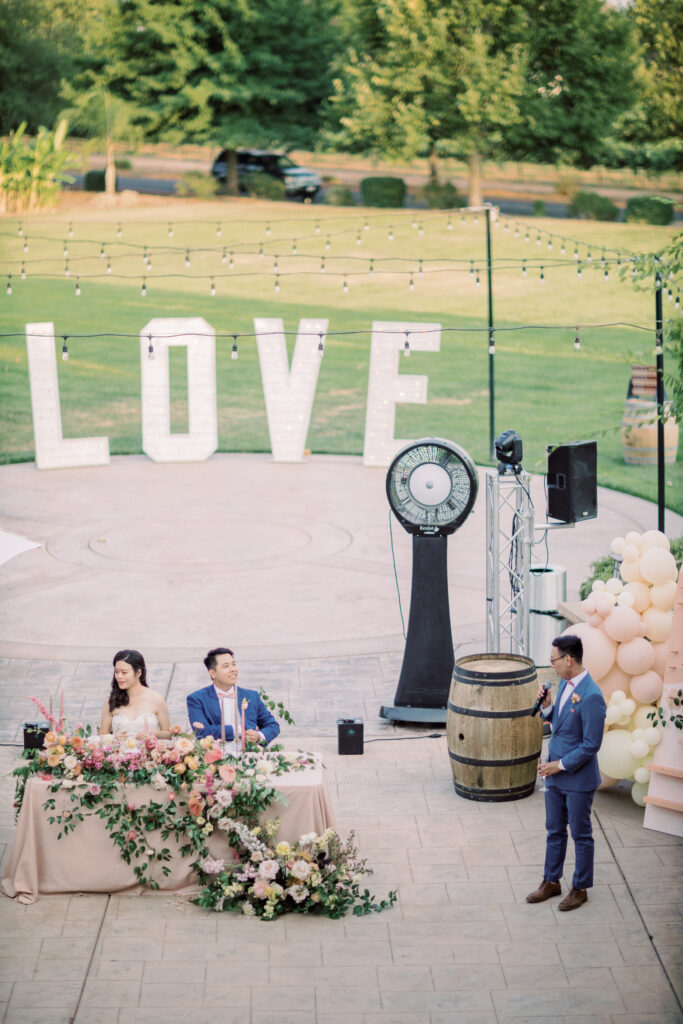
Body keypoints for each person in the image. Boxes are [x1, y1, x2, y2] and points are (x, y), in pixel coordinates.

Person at [526, 633, 606, 912]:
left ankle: (580, 888)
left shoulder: (592, 696)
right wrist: (547, 706)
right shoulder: (563, 683)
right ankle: (551, 881)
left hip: (577, 779)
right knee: (554, 830)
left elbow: (591, 745)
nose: (552, 665)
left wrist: (559, 765)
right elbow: (560, 724)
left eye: (553, 660)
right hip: (554, 774)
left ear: (568, 659)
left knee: (580, 834)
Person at [187, 647, 279, 746]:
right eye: (226, 666)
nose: (233, 669)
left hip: (248, 753)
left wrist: (258, 736)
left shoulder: (251, 696)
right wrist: (237, 730)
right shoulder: (197, 699)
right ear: (213, 673)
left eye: (233, 665)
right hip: (215, 753)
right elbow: (201, 731)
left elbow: (272, 725)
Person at [100, 649, 171, 739]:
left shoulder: (156, 699)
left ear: (138, 673)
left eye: (124, 672)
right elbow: (102, 735)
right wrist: (114, 738)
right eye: (116, 672)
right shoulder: (111, 702)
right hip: (120, 747)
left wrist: (155, 733)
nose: (119, 676)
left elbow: (168, 734)